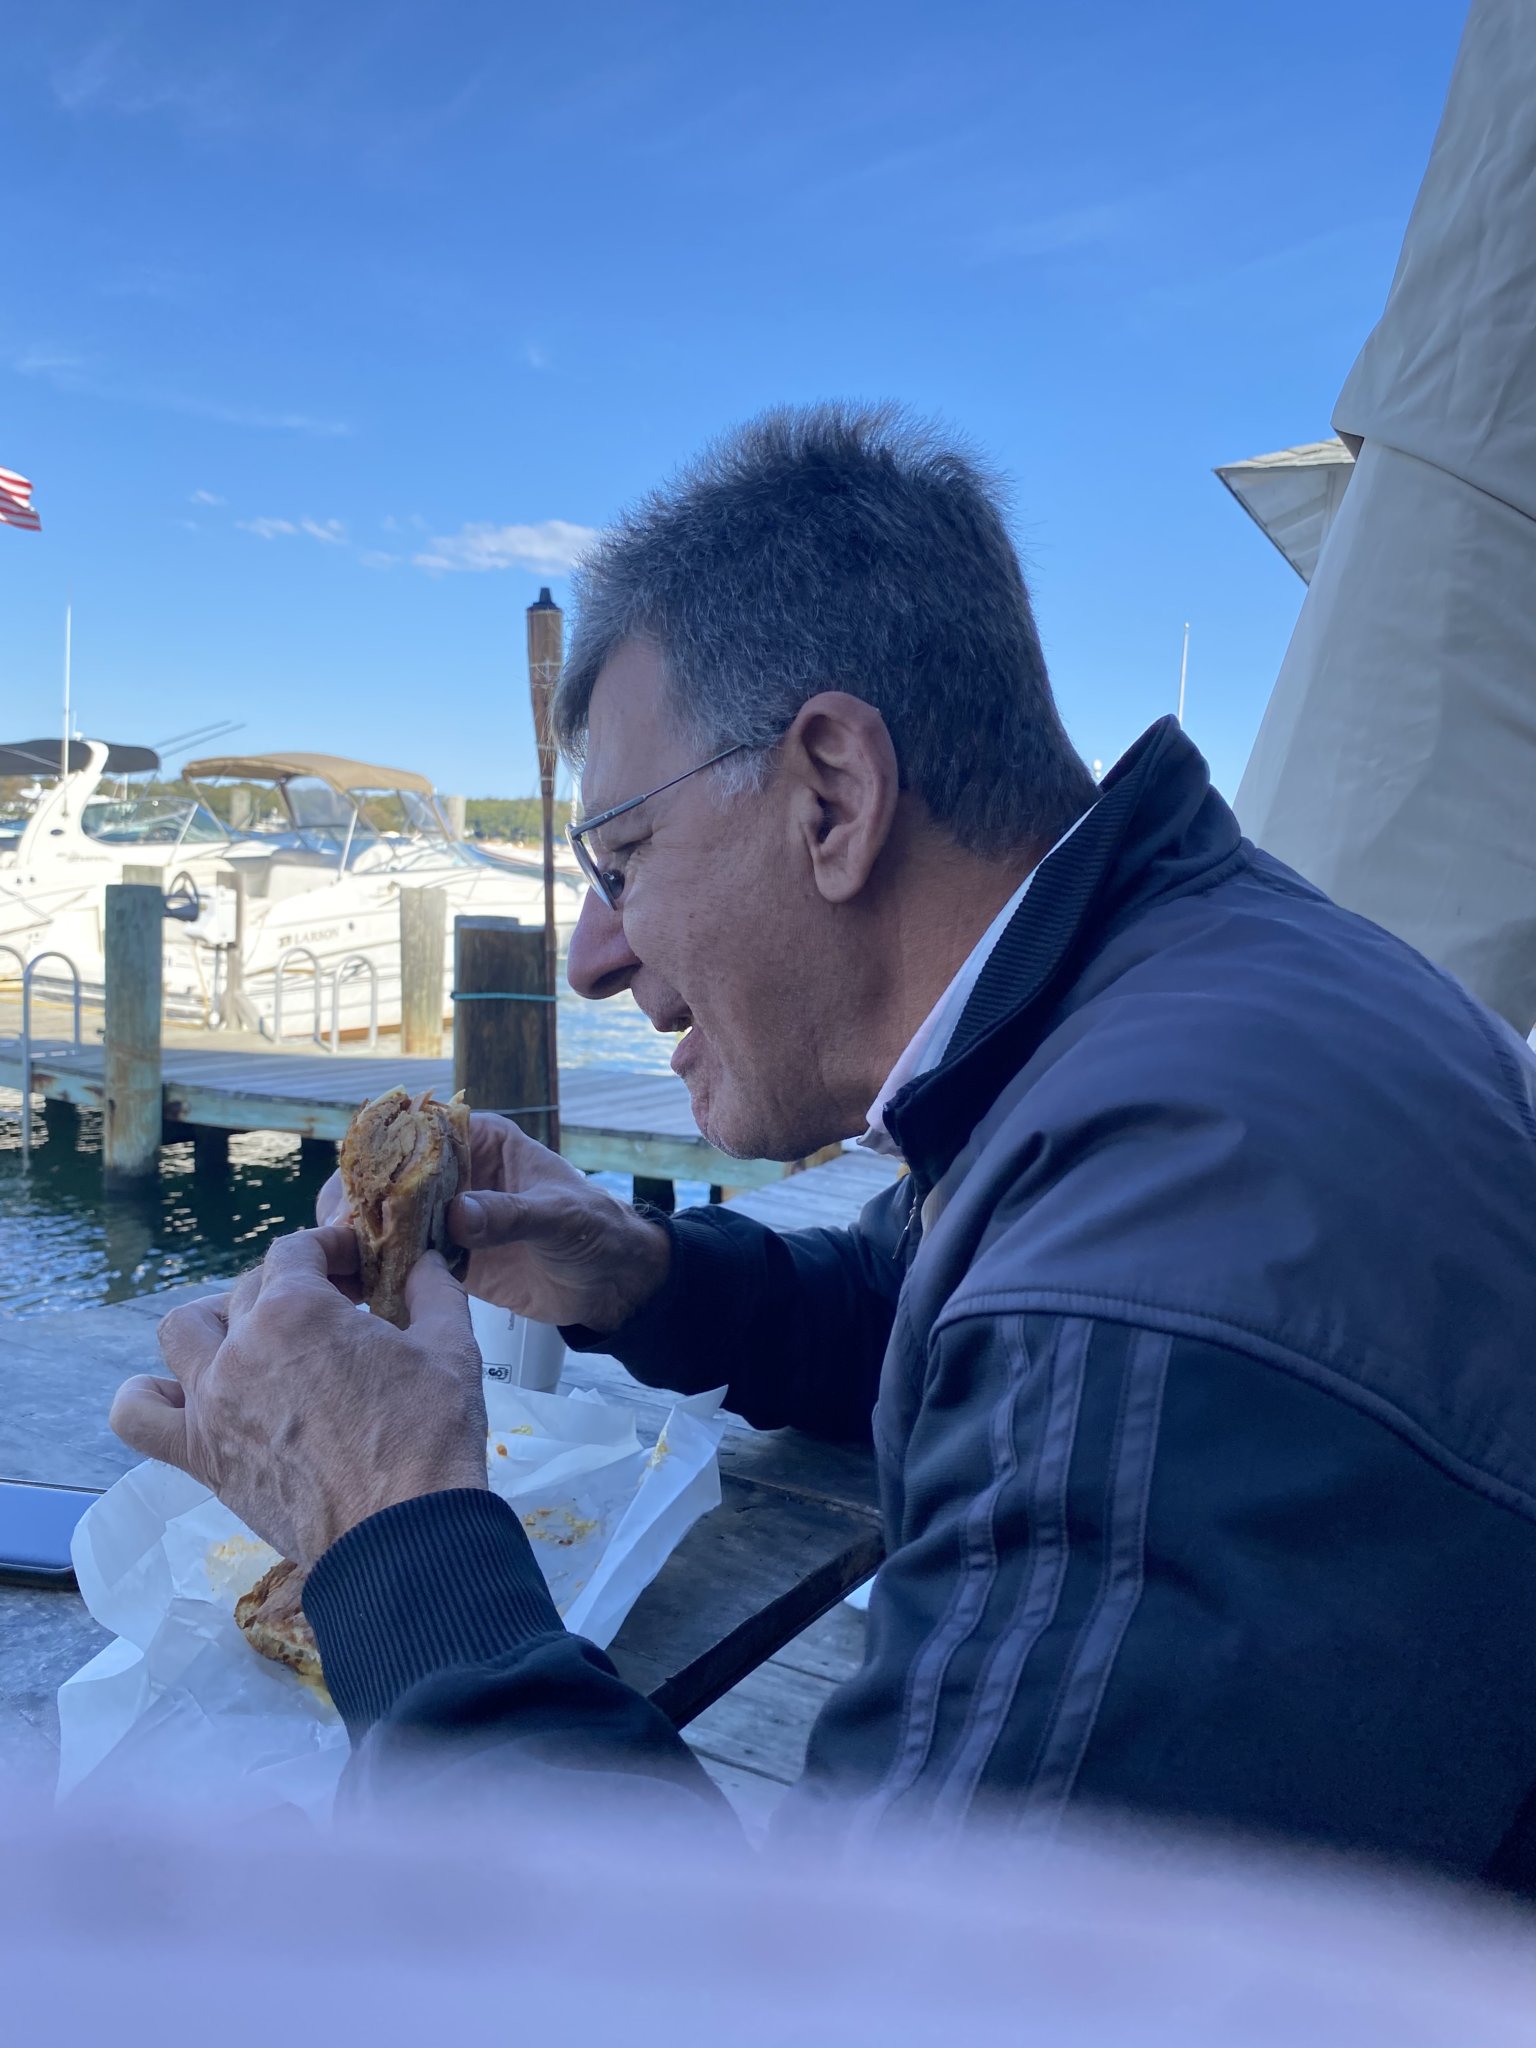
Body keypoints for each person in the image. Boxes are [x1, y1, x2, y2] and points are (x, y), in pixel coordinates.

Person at [112, 404, 1536, 1881]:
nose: (592, 957)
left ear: (834, 798)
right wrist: (640, 1276)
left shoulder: (1170, 1259)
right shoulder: (1166, 1014)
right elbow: (938, 1319)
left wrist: (386, 1519)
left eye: (624, 860)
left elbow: (864, 2006)